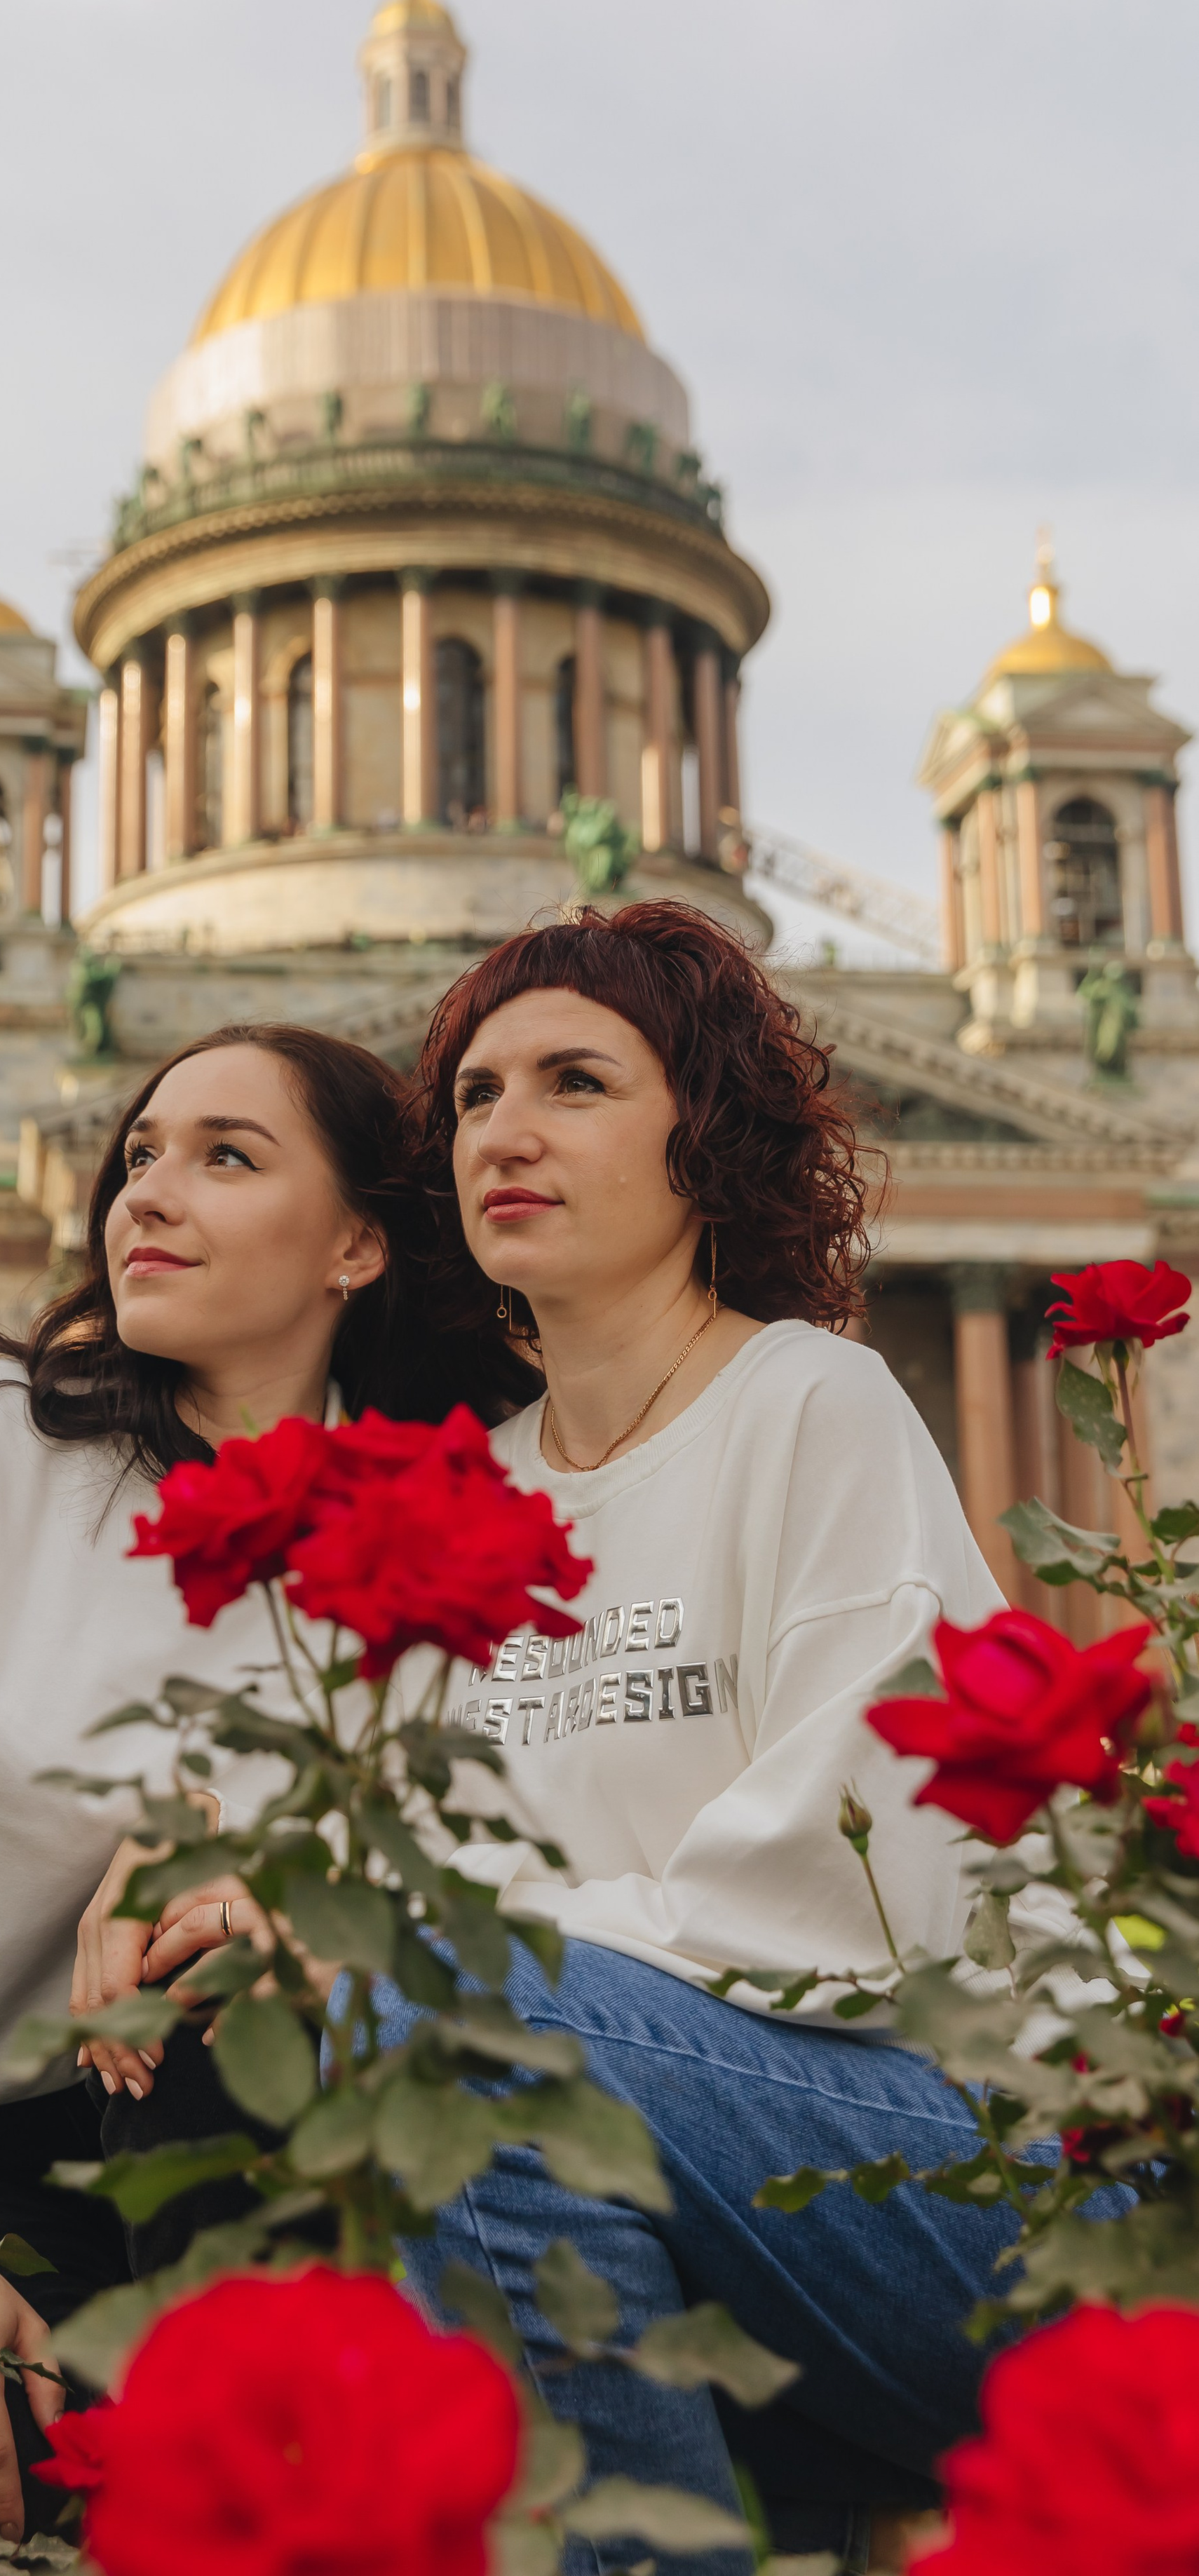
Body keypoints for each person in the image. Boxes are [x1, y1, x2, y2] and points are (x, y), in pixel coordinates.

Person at [0, 1022, 524, 2544]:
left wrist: (265, 1880)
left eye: (225, 1157)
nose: (146, 1193)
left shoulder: (427, 1528)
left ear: (355, 1243)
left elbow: (480, 1860)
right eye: (140, 1153)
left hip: (295, 2135)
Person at [393, 903, 1027, 2575]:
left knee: (447, 2000)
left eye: (575, 1083)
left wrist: (466, 1955)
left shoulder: (808, 1402)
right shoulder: (472, 1499)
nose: (503, 1132)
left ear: (707, 1142)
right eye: (472, 1096)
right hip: (636, 2151)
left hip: (937, 2174)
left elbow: (863, 1892)